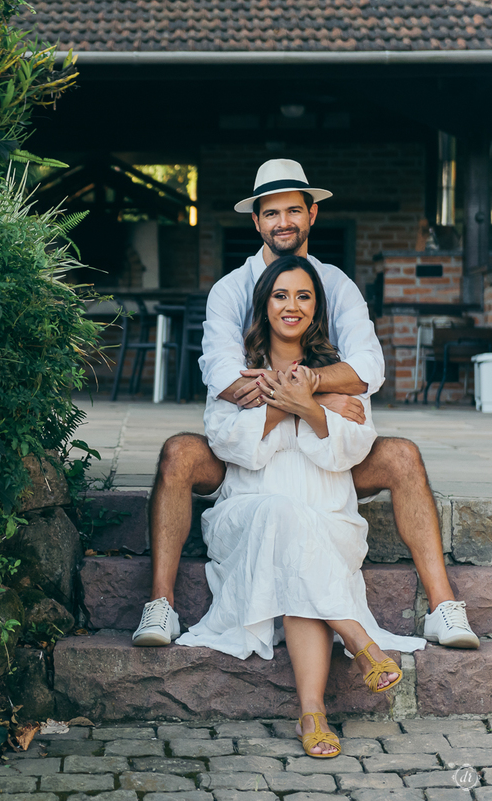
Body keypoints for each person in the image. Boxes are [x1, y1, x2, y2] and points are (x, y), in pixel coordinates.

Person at [131, 159, 479, 651]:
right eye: (271, 213)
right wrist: (319, 394)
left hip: (323, 457)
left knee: (403, 456)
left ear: (312, 214)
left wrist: (308, 388)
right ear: (256, 222)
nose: (283, 223)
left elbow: (368, 372)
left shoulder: (336, 286)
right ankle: (161, 605)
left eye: (294, 210)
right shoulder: (231, 290)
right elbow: (227, 379)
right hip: (251, 455)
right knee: (179, 453)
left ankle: (443, 608)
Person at [174, 254, 426, 757]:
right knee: (280, 514)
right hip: (248, 514)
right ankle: (359, 642)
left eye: (304, 296)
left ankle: (312, 714)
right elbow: (227, 443)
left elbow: (354, 448)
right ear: (264, 304)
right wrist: (288, 403)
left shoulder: (335, 376)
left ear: (317, 307)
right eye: (281, 295)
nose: (292, 306)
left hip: (326, 516)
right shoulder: (240, 375)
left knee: (295, 539)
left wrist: (310, 401)